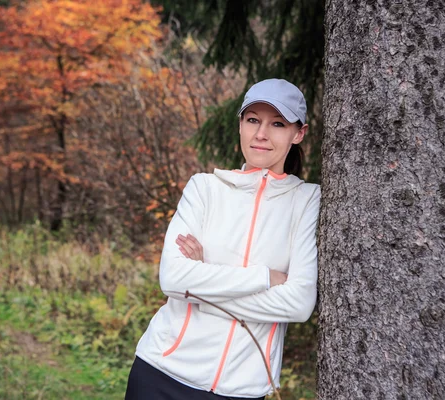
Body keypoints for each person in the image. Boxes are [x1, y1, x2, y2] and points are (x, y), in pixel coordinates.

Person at [125, 78, 321, 400]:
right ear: (241, 125)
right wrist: (264, 278)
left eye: (278, 123)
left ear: (298, 133)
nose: (261, 134)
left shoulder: (306, 200)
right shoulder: (204, 188)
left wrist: (202, 288)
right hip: (161, 372)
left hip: (242, 389)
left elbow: (299, 304)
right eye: (253, 120)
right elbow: (173, 279)